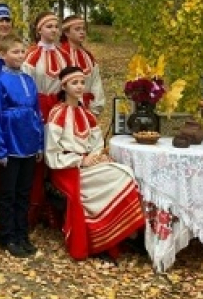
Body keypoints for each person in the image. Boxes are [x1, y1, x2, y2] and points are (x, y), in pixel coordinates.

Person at [45, 66, 145, 263]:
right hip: (65, 168)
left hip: (87, 164)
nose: (79, 86)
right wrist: (80, 160)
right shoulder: (57, 114)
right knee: (119, 178)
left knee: (125, 173)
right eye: (74, 83)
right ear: (64, 86)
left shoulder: (87, 114)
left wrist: (96, 157)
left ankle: (123, 233)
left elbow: (97, 143)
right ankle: (102, 239)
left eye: (82, 82)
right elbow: (51, 153)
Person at [0, 35, 45, 257]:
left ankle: (22, 233)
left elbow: (37, 112)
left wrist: (39, 143)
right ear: (3, 55)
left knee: (24, 191)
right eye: (15, 52)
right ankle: (8, 235)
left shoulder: (29, 80)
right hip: (10, 143)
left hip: (28, 142)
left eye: (22, 52)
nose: (20, 56)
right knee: (7, 192)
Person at [23, 12, 68, 121]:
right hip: (38, 108)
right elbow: (25, 86)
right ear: (39, 30)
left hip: (61, 107)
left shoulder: (64, 55)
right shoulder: (31, 55)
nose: (54, 30)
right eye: (49, 26)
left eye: (56, 27)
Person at [60, 15, 105, 116]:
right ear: (66, 33)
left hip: (88, 109)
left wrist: (95, 108)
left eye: (83, 29)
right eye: (77, 29)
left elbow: (96, 82)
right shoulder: (60, 55)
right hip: (67, 109)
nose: (82, 32)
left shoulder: (88, 56)